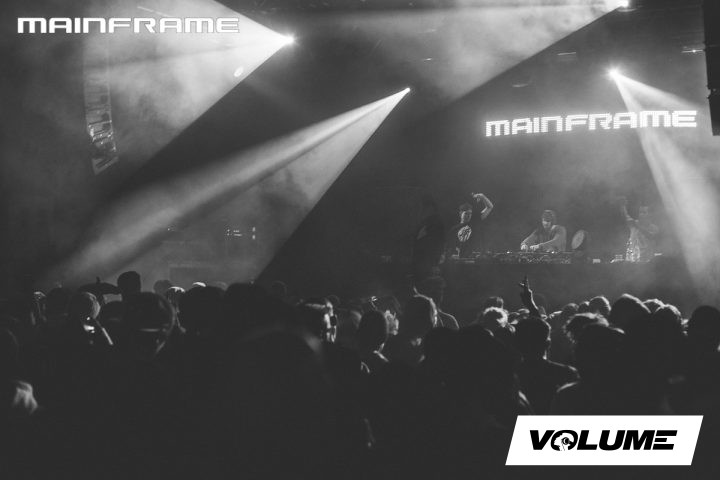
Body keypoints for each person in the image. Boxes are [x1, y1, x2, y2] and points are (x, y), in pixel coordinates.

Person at [447, 192, 494, 258]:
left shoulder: (474, 222)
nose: (469, 215)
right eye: (466, 213)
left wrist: (483, 197)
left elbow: (490, 207)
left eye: (470, 213)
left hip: (473, 259)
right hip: (459, 260)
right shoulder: (454, 229)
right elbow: (449, 247)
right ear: (460, 213)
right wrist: (452, 255)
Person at [619, 197, 659, 262]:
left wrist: (637, 226)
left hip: (648, 261)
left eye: (644, 212)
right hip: (633, 260)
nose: (641, 214)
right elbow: (625, 216)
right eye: (640, 212)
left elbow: (650, 236)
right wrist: (622, 206)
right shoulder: (634, 223)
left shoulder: (654, 228)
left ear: (650, 215)